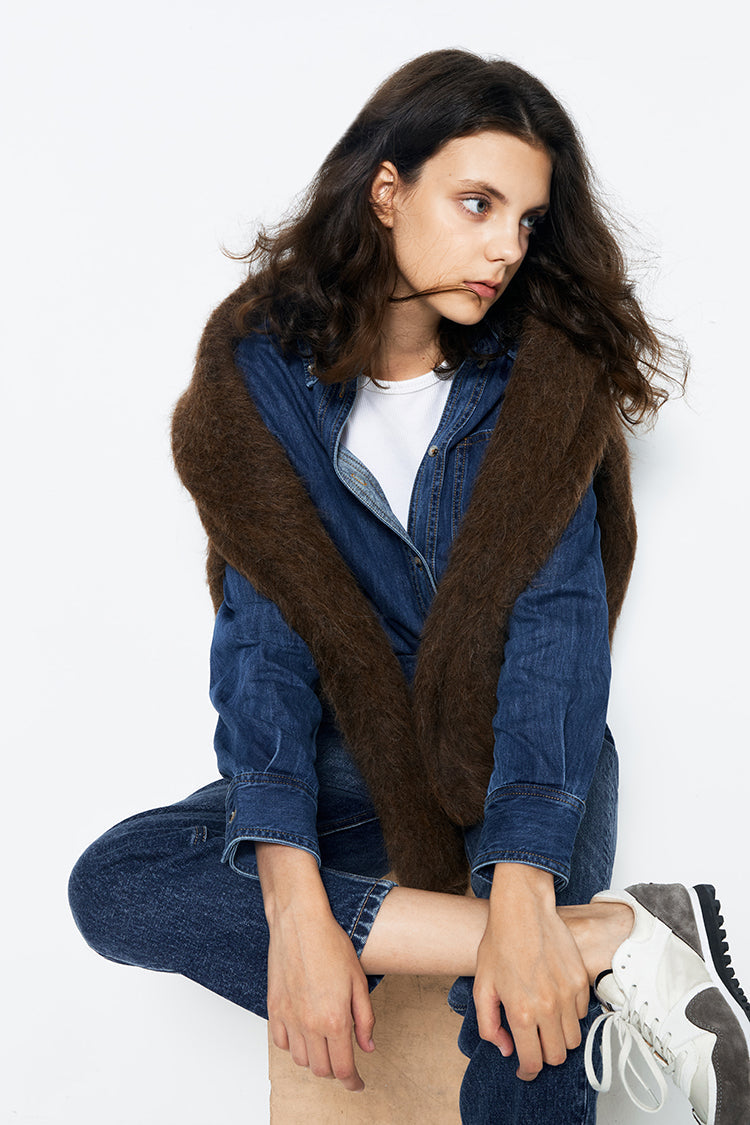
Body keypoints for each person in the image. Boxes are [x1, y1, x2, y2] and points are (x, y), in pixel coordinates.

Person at [68, 49, 750, 1124]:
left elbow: (557, 638)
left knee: (526, 1034)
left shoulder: (546, 375)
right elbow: (265, 644)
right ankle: (621, 936)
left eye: (527, 221)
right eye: (478, 204)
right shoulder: (261, 377)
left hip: (523, 756)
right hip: (355, 760)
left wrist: (521, 884)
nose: (506, 247)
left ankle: (551, 944)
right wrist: (296, 908)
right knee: (117, 881)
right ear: (388, 191)